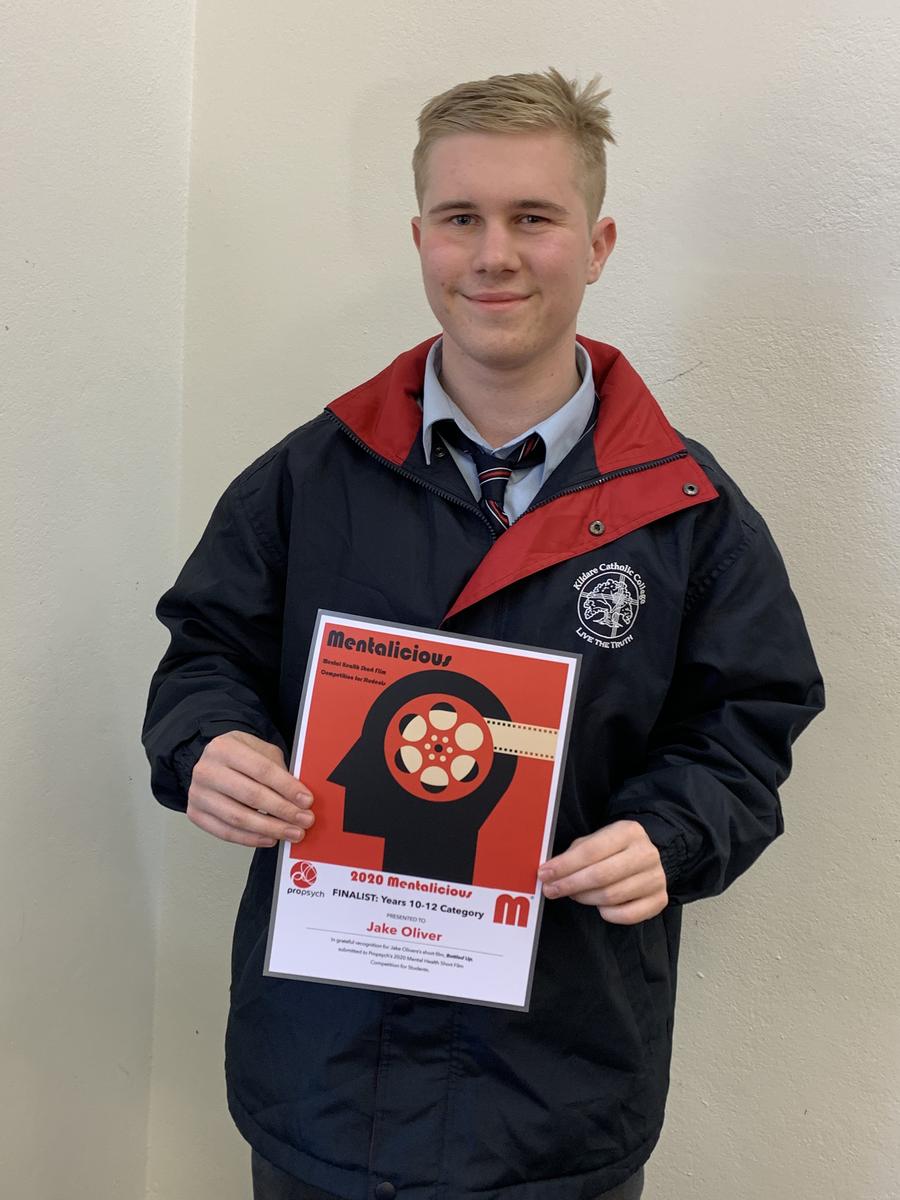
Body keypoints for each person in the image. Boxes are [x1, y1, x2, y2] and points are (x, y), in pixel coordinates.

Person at [143, 68, 824, 1200]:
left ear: (598, 245)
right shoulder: (308, 478)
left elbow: (746, 729)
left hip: (557, 1097)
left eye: (533, 218)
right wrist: (208, 745)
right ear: (420, 239)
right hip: (321, 1078)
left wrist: (670, 833)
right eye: (461, 217)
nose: (493, 254)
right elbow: (205, 655)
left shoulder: (690, 514)